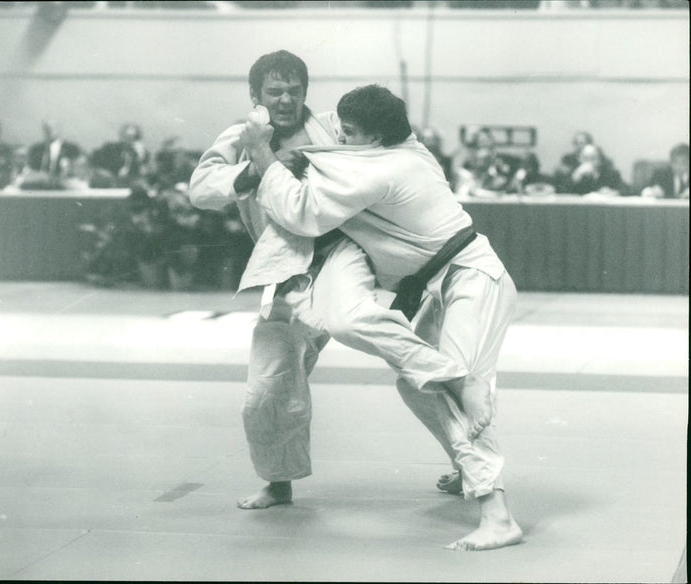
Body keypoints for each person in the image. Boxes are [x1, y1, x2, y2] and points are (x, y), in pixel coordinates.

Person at [190, 52, 493, 520]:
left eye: (295, 90)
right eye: (275, 92)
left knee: (401, 355)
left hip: (348, 252)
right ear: (256, 96)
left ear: (306, 93)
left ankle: (467, 463)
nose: (286, 99)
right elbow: (202, 189)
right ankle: (278, 480)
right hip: (289, 269)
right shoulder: (243, 138)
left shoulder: (335, 126)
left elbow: (391, 149)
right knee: (269, 382)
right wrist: (260, 163)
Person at [240, 84, 523, 551]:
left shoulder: (387, 169)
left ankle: (497, 513)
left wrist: (258, 149)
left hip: (475, 280)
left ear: (374, 138)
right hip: (437, 282)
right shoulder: (407, 150)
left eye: (349, 133)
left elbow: (302, 211)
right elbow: (336, 158)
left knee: (450, 389)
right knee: (415, 383)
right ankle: (463, 450)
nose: (342, 141)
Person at [90, 123, 151, 187]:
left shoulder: (142, 154)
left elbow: (143, 172)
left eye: (134, 137)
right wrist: (104, 173)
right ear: (121, 136)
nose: (129, 140)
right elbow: (94, 163)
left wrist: (140, 156)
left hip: (130, 184)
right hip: (109, 183)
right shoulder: (110, 148)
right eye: (126, 137)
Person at [27, 118, 83, 187]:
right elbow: (31, 169)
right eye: (47, 129)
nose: (50, 131)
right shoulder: (36, 149)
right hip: (40, 185)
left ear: (59, 129)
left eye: (53, 128)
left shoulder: (72, 148)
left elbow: (78, 170)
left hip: (65, 185)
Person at [561, 143, 628, 195]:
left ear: (600, 161)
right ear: (579, 160)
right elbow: (560, 191)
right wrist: (576, 176)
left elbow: (627, 190)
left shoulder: (610, 174)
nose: (589, 162)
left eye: (593, 158)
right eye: (585, 158)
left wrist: (614, 192)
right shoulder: (574, 173)